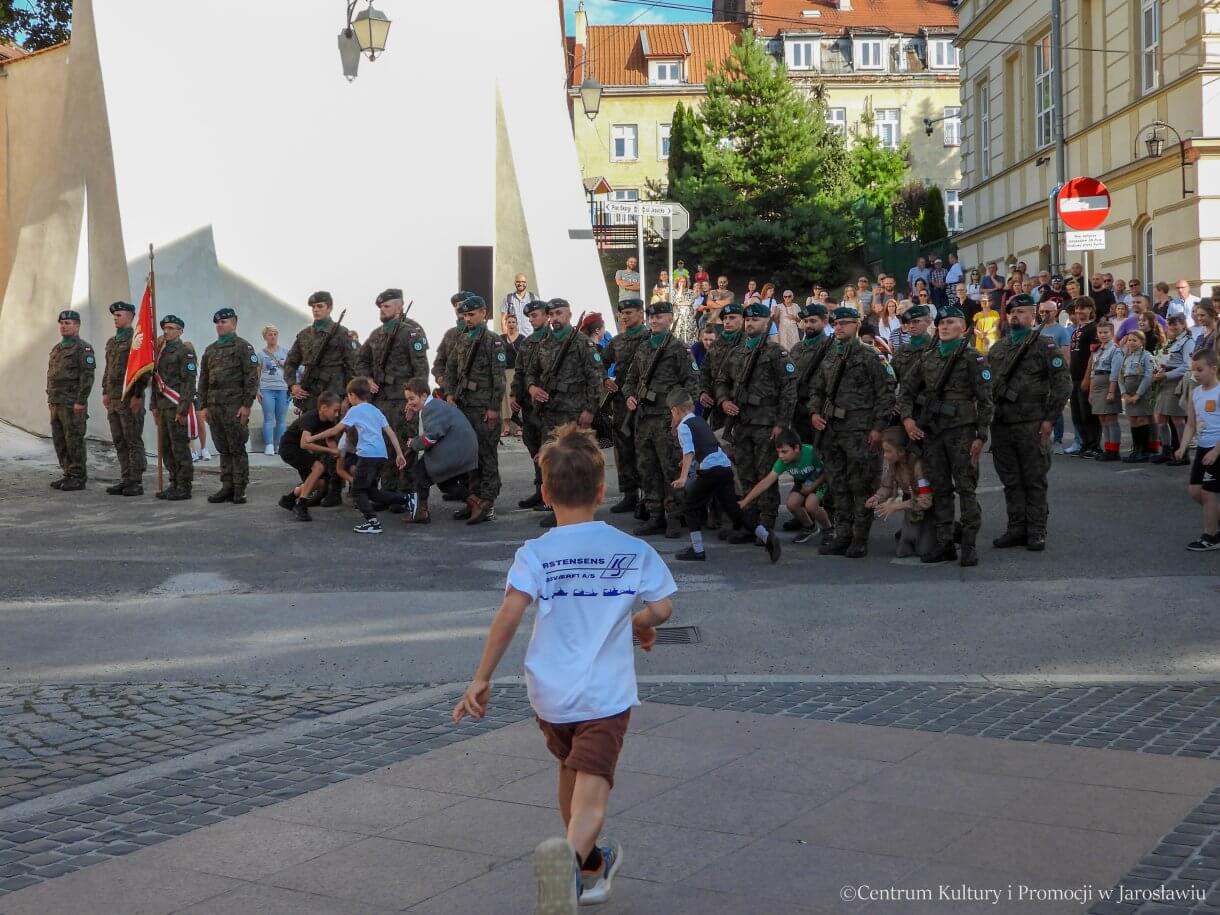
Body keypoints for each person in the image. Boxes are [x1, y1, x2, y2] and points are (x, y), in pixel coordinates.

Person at [451, 425, 674, 912]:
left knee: (572, 771)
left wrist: (481, 677)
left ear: (546, 492)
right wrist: (639, 623)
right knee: (592, 796)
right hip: (604, 695)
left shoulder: (535, 553)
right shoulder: (633, 551)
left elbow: (509, 614)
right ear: (601, 491)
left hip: (549, 696)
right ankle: (568, 864)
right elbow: (662, 609)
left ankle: (591, 863)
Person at [898, 305, 993, 566]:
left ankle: (970, 545)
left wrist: (981, 435)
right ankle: (945, 543)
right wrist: (907, 419)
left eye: (951, 322)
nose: (944, 326)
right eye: (941, 322)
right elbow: (905, 391)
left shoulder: (972, 358)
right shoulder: (927, 358)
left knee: (966, 489)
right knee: (940, 489)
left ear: (963, 328)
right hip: (933, 433)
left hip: (962, 432)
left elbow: (986, 401)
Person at [809, 306, 897, 558]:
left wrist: (879, 428)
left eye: (845, 323)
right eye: (836, 324)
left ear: (856, 325)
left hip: (861, 430)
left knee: (861, 485)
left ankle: (859, 538)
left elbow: (886, 394)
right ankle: (843, 534)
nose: (839, 328)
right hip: (832, 430)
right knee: (838, 485)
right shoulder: (828, 357)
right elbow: (816, 390)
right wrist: (814, 413)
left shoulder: (871, 355)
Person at [987, 294, 1073, 551]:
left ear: (1033, 316)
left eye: (1023, 312)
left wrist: (1049, 419)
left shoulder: (1044, 346)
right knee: (1011, 480)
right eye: (1013, 312)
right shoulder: (998, 349)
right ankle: (1016, 528)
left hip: (1032, 423)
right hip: (1002, 425)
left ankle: (1036, 531)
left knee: (1034, 480)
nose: (1016, 316)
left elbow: (1063, 383)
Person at [716, 302, 798, 541]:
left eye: (755, 320)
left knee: (765, 474)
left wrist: (781, 424)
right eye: (748, 320)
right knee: (745, 473)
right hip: (741, 423)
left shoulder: (776, 353)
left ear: (766, 323)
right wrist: (723, 401)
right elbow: (721, 380)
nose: (750, 323)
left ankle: (766, 523)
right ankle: (749, 523)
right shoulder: (737, 351)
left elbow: (789, 390)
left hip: (766, 422)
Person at [668, 389, 779, 562]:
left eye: (671, 413)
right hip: (724, 468)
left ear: (675, 410)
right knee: (734, 512)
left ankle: (697, 550)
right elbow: (705, 447)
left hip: (711, 470)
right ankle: (767, 537)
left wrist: (683, 477)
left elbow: (688, 451)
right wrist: (687, 462)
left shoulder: (683, 426)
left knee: (689, 506)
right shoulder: (699, 421)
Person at [526, 298, 604, 529]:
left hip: (574, 413)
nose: (555, 318)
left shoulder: (582, 343)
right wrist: (532, 387)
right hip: (549, 413)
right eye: (551, 314)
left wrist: (590, 409)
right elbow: (531, 372)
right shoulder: (544, 342)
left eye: (559, 313)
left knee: (577, 462)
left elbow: (595, 379)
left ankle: (581, 506)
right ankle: (555, 506)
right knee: (549, 461)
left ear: (569, 315)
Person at [624, 301, 699, 538]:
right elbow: (630, 380)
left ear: (670, 319)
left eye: (659, 317)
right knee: (648, 470)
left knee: (671, 470)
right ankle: (655, 516)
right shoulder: (643, 348)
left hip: (668, 420)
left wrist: (680, 414)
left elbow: (692, 383)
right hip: (644, 419)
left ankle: (675, 517)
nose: (654, 321)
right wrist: (629, 397)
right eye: (651, 317)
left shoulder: (679, 349)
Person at [306, 376, 410, 534]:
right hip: (381, 455)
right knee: (372, 492)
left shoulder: (354, 410)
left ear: (352, 395)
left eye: (348, 396)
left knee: (358, 490)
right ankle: (406, 499)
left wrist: (312, 438)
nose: (348, 399)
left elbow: (335, 430)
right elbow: (390, 433)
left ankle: (372, 522)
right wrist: (399, 454)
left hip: (367, 455)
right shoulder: (376, 410)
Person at [356, 288, 430, 497]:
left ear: (399, 308)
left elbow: (421, 370)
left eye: (386, 306)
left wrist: (415, 401)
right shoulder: (376, 335)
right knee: (385, 445)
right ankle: (389, 490)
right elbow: (361, 360)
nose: (382, 310)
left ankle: (406, 492)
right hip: (381, 400)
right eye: (380, 307)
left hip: (402, 400)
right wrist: (367, 379)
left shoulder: (411, 333)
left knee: (406, 445)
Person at [444, 294, 506, 525]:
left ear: (483, 313)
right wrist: (450, 393)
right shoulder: (461, 339)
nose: (467, 318)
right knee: (470, 455)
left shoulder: (492, 341)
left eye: (472, 314)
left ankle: (488, 502)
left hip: (483, 407)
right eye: (465, 315)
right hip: (464, 406)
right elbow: (451, 368)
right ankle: (474, 501)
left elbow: (498, 379)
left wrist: (493, 408)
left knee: (487, 455)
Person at [198, 307, 259, 505]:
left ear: (234, 323)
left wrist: (247, 405)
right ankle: (227, 486)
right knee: (223, 449)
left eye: (223, 322)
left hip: (235, 407)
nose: (219, 325)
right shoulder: (210, 350)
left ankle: (239, 488)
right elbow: (204, 380)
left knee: (236, 448)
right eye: (217, 322)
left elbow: (251, 378)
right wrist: (203, 406)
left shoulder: (243, 347)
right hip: (215, 408)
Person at [403, 376, 479, 524]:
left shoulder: (431, 409)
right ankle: (476, 503)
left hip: (456, 451)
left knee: (420, 472)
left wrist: (413, 443)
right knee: (445, 483)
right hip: (460, 449)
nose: (409, 403)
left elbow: (429, 439)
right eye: (407, 400)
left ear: (424, 395)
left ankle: (421, 512)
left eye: (412, 399)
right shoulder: (433, 405)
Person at [740, 428, 830, 544]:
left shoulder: (811, 453)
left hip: (820, 480)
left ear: (797, 448)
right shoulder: (781, 462)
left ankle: (828, 529)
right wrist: (745, 501)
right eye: (778, 452)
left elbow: (827, 470)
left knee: (811, 505)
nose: (780, 456)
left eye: (784, 452)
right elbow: (766, 482)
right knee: (791, 504)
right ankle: (810, 527)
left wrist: (812, 486)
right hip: (803, 481)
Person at [601, 298, 649, 517]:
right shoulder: (617, 341)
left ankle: (650, 497)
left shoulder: (651, 338)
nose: (626, 316)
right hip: (621, 403)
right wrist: (604, 379)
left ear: (640, 313)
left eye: (630, 312)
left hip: (646, 404)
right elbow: (598, 361)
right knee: (623, 449)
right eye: (623, 313)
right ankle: (630, 494)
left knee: (646, 450)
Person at [865, 427, 936, 558]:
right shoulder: (893, 463)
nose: (884, 455)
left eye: (887, 451)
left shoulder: (918, 466)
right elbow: (886, 487)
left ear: (901, 451)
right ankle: (910, 532)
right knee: (903, 551)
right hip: (912, 505)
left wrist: (895, 506)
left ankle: (949, 529)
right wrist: (877, 498)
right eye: (883, 451)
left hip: (929, 508)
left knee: (923, 551)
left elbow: (926, 501)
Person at [1175, 349, 1220, 550]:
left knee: (1209, 492)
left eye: (1200, 369)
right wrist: (1183, 447)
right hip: (1203, 447)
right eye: (1194, 370)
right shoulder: (1195, 393)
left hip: (1217, 448)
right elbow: (1191, 424)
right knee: (1195, 492)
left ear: (1214, 369)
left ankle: (1210, 537)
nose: (1196, 374)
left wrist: (1216, 451)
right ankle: (1215, 522)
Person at [46, 310, 96, 491]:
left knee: (74, 439)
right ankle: (67, 473)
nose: (64, 326)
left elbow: (87, 376)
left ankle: (78, 476)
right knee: (60, 440)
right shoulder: (57, 349)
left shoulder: (83, 348)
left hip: (72, 403)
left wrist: (81, 401)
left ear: (77, 326)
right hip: (56, 402)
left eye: (68, 323)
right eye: (61, 323)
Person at [102, 300, 148, 496]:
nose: (116, 318)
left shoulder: (136, 339)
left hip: (129, 399)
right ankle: (125, 477)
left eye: (119, 315)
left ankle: (136, 481)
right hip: (113, 399)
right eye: (114, 315)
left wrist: (137, 395)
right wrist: (105, 391)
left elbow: (143, 371)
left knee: (132, 440)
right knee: (119, 440)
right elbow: (108, 369)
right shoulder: (112, 342)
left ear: (130, 316)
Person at [276, 391, 343, 521]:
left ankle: (289, 499)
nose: (337, 414)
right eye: (335, 410)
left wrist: (338, 453)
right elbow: (304, 444)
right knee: (318, 467)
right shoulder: (311, 418)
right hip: (290, 448)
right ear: (323, 408)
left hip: (301, 450)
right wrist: (329, 451)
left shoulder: (329, 421)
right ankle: (301, 505)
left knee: (320, 482)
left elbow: (330, 441)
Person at [151, 315, 198, 500]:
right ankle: (174, 482)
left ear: (180, 331)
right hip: (163, 406)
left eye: (171, 328)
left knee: (180, 448)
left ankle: (184, 486)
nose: (167, 331)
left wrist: (183, 410)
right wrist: (154, 405)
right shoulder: (161, 352)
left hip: (176, 405)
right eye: (165, 328)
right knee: (166, 448)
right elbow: (156, 381)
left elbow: (188, 383)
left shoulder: (184, 352)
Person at [510, 299, 550, 509]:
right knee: (532, 446)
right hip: (528, 404)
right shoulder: (527, 342)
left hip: (545, 405)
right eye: (530, 317)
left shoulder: (554, 340)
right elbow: (520, 372)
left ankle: (549, 495)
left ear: (546, 315)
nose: (532, 320)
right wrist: (514, 395)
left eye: (535, 315)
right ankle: (539, 490)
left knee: (546, 451)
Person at [790, 303, 832, 444]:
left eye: (813, 321)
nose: (808, 325)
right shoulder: (797, 348)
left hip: (820, 410)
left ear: (825, 322)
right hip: (797, 409)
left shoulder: (831, 347)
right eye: (806, 321)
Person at [698, 302, 743, 431]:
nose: (727, 321)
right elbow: (704, 372)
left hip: (738, 406)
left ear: (742, 319)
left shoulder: (747, 343)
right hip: (716, 405)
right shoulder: (716, 343)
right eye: (725, 318)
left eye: (732, 317)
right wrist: (702, 392)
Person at [1067, 296, 1101, 457]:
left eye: (1083, 308)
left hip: (1084, 377)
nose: (1079, 311)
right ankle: (1084, 443)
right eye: (1077, 308)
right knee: (1077, 414)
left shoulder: (1093, 329)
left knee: (1088, 414)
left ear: (1090, 310)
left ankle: (1094, 446)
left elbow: (1093, 356)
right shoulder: (1076, 330)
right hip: (1073, 377)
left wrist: (1087, 378)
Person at [1086, 320, 1124, 462]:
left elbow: (1115, 373)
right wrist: (1090, 392)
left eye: (1106, 332)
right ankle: (1108, 448)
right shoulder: (1098, 350)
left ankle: (1114, 451)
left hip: (1108, 384)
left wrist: (1111, 391)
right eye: (1100, 332)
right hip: (1097, 385)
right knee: (1102, 418)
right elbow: (1092, 372)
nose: (1103, 335)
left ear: (1112, 333)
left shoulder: (1115, 350)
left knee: (1110, 418)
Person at [1117, 330, 1155, 462]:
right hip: (1128, 394)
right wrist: (1124, 393)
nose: (1131, 343)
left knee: (1142, 419)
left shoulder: (1146, 355)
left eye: (1135, 340)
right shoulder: (1126, 356)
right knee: (1133, 420)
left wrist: (1138, 394)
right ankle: (1136, 449)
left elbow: (1148, 376)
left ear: (1142, 342)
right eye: (1129, 340)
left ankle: (1143, 451)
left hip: (1142, 393)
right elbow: (1120, 377)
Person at [256, 324, 290, 456]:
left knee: (281, 418)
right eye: (270, 334)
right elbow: (257, 373)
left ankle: (280, 444)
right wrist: (256, 390)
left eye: (275, 334)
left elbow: (291, 371)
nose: (273, 337)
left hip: (282, 388)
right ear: (265, 337)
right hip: (267, 388)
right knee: (268, 417)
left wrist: (292, 387)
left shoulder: (285, 352)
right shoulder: (260, 354)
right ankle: (269, 445)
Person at [499, 313, 523, 437]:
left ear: (517, 324)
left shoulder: (522, 338)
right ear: (505, 324)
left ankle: (519, 426)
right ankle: (507, 427)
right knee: (505, 399)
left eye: (513, 322)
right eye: (509, 322)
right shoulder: (500, 338)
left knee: (517, 397)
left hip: (517, 372)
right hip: (504, 372)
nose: (511, 324)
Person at [671, 275, 697, 344]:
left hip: (688, 316)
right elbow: (674, 301)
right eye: (680, 281)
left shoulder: (691, 292)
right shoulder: (674, 292)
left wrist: (680, 303)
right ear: (677, 282)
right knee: (678, 332)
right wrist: (680, 291)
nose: (682, 283)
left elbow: (691, 301)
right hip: (678, 316)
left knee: (689, 333)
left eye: (684, 281)